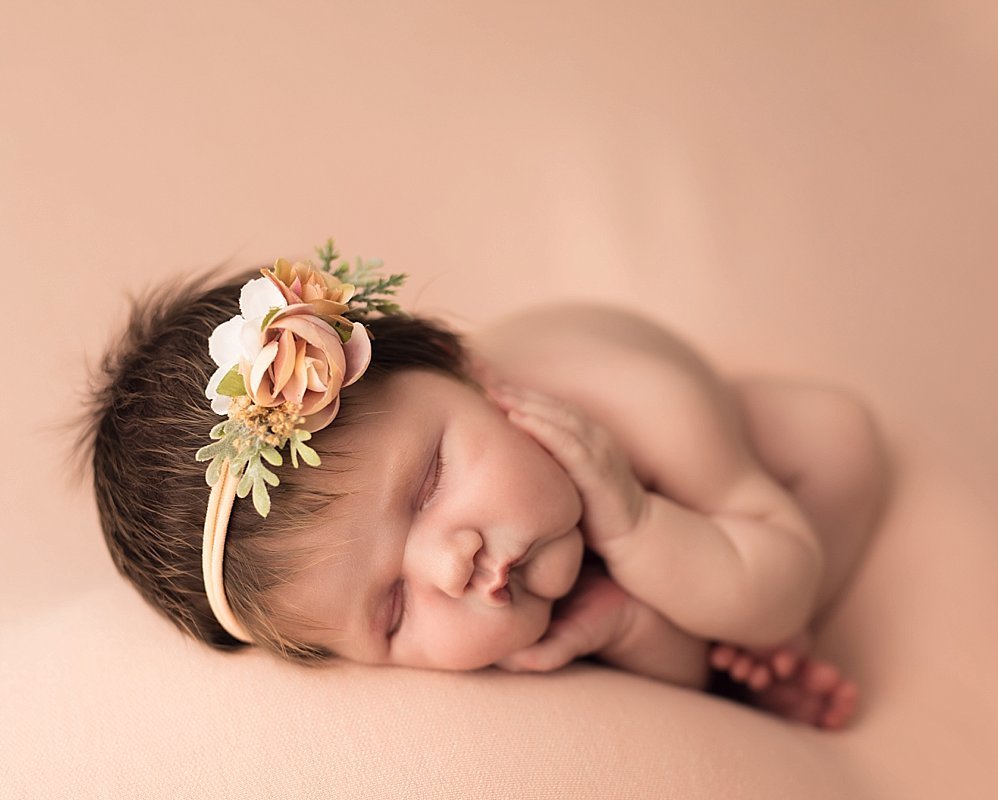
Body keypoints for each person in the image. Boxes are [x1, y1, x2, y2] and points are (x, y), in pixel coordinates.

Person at [87, 242, 887, 730]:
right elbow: (679, 685)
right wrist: (626, 628)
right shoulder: (504, 582)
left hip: (715, 463)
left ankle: (761, 632)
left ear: (464, 370)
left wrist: (638, 525)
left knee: (839, 438)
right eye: (392, 612)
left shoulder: (645, 402)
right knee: (691, 605)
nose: (451, 565)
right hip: (631, 525)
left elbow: (782, 589)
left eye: (429, 485)